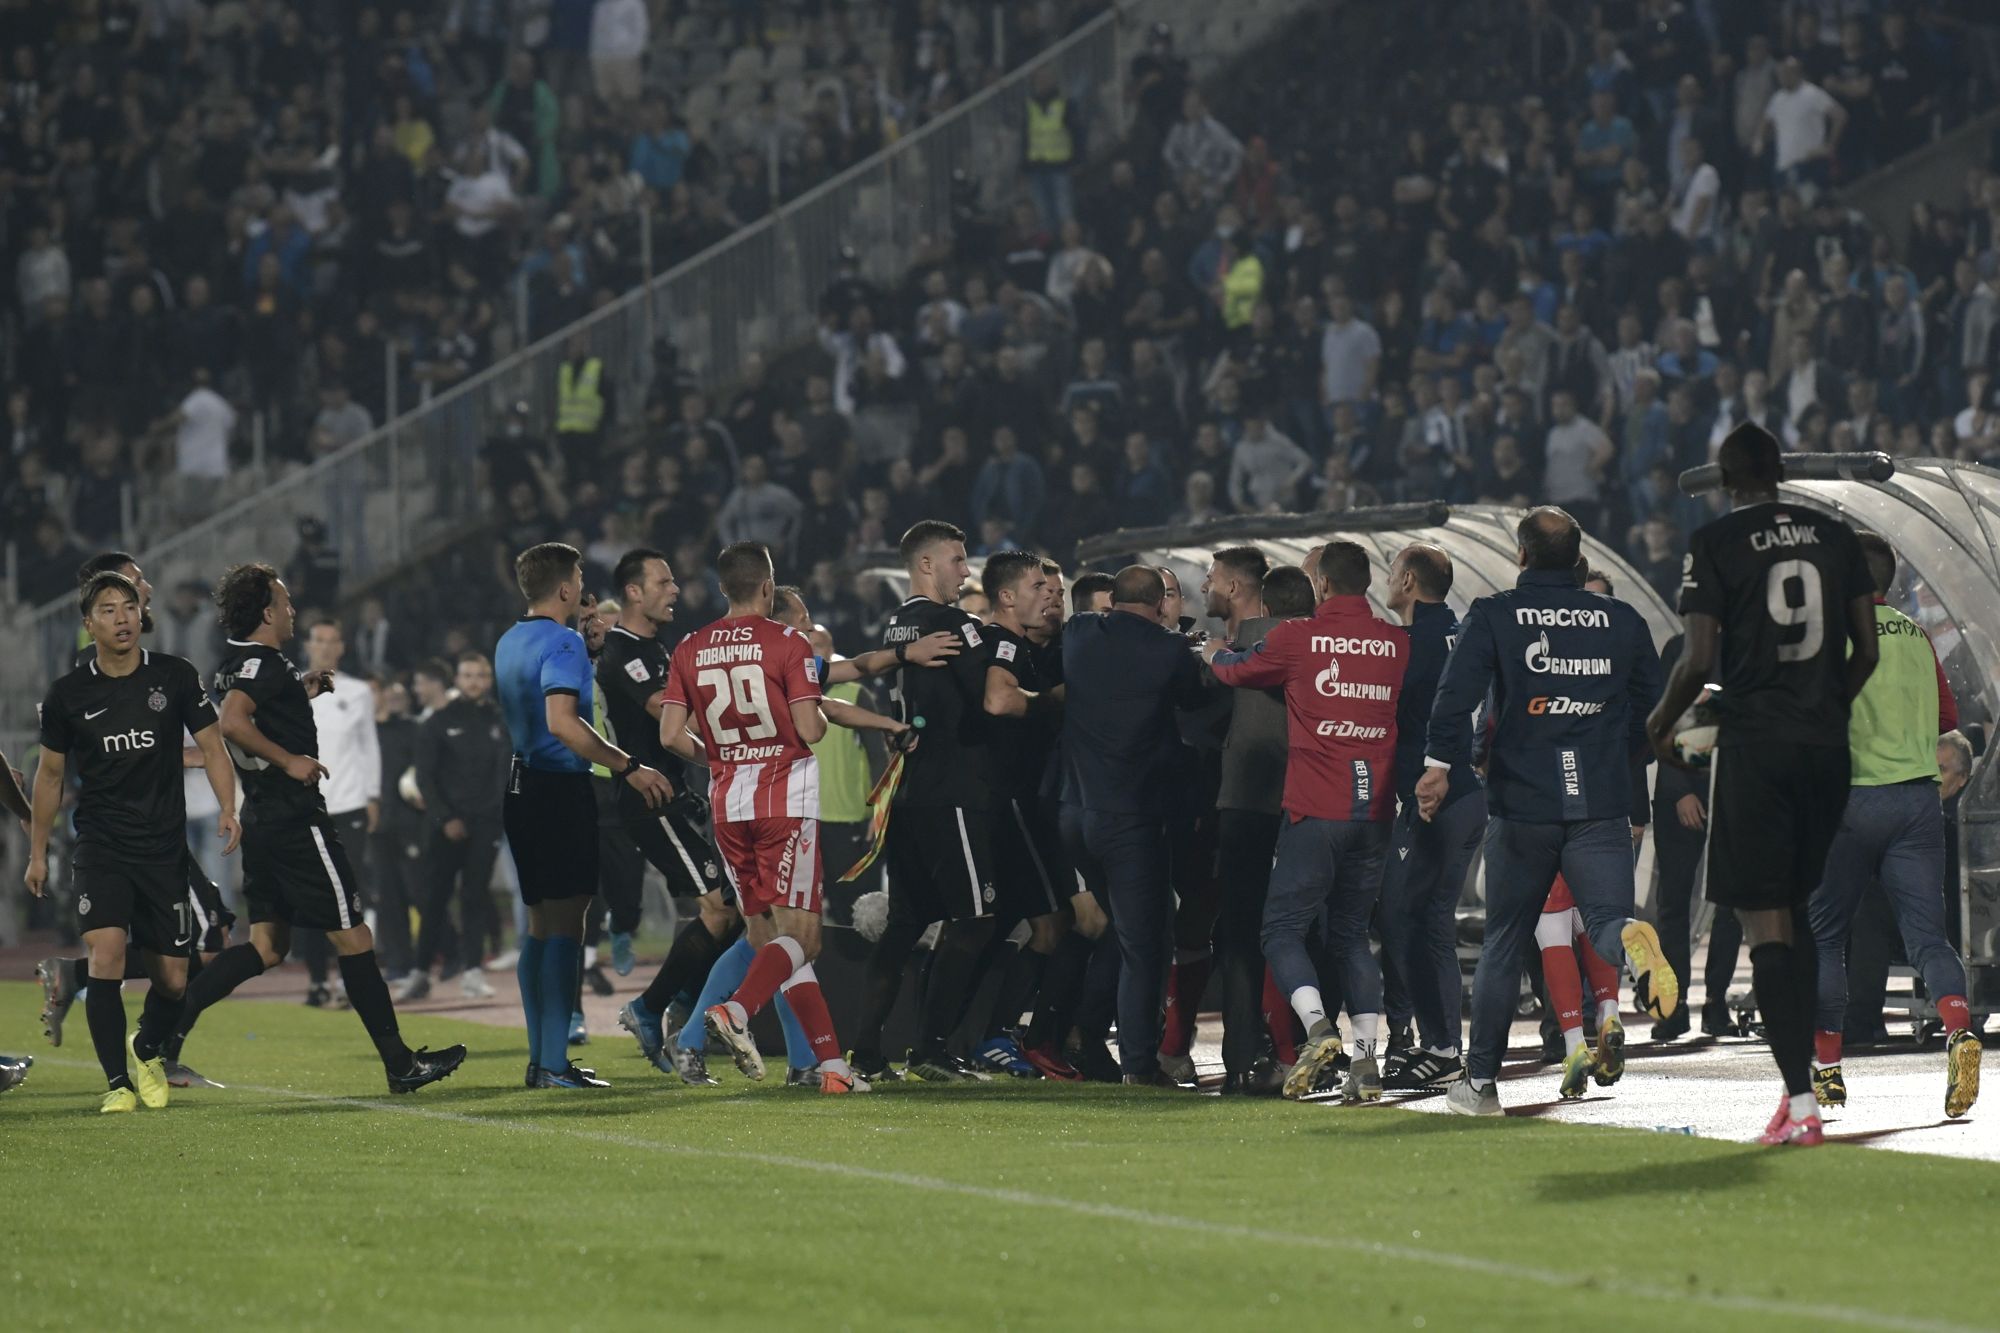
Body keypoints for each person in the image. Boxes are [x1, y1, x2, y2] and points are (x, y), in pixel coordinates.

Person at [1647, 424, 1878, 1147]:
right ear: (1780, 473)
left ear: (1726, 478)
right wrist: (1826, 707)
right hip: (1824, 746)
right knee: (1800, 909)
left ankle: (1801, 1104)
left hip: (1756, 744)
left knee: (1764, 920)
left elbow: (1699, 655)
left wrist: (1660, 725)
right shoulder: (1835, 534)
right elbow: (1864, 649)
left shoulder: (1713, 542)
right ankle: (1801, 1090)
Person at [164, 564, 464, 1094]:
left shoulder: (235, 662)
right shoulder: (260, 662)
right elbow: (234, 722)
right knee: (354, 935)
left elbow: (244, 714)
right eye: (283, 601)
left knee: (266, 947)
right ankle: (399, 1064)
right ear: (265, 612)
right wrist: (290, 761)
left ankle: (165, 1034)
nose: (291, 609)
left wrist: (297, 692)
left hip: (263, 820)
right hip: (294, 818)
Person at [1424, 507, 1671, 1117]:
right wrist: (1619, 755)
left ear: (1523, 555)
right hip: (1601, 800)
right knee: (1607, 922)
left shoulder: (1496, 613)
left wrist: (1439, 764)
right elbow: (1654, 709)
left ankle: (1479, 1085)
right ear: (1581, 556)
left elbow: (1456, 698)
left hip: (1524, 800)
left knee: (1506, 940)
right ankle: (1632, 942)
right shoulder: (1621, 618)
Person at [657, 543, 903, 1095]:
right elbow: (812, 730)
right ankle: (738, 1010)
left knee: (772, 940)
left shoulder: (689, 647)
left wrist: (722, 756)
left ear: (724, 587)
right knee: (806, 940)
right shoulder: (788, 642)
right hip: (783, 802)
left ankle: (831, 1068)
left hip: (728, 807)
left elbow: (671, 736)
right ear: (768, 586)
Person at [24, 572, 240, 1112]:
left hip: (164, 848)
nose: (123, 618)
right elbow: (49, 778)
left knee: (173, 977)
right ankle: (117, 1084)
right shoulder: (68, 695)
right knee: (108, 954)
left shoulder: (175, 676)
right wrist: (36, 851)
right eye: (109, 610)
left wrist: (230, 808)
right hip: (101, 844)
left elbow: (212, 747)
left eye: (129, 608)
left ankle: (146, 1047)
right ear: (88, 624)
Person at [1204, 542, 1406, 1101]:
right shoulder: (1394, 643)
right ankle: (1367, 1066)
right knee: (1350, 940)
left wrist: (1214, 655)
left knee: (1280, 930)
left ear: (1320, 587)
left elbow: (1239, 671)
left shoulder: (1298, 638)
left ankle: (1318, 1029)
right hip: (1375, 812)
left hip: (1316, 809)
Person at [1808, 533, 1980, 1118]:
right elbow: (1947, 725)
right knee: (1929, 936)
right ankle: (1960, 1029)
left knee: (1826, 935)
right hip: (1915, 804)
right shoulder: (1916, 636)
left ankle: (1827, 1069)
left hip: (1848, 804)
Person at [494, 542, 670, 1088]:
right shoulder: (563, 640)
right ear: (567, 588)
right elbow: (565, 722)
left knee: (542, 925)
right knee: (570, 923)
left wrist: (588, 650)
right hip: (558, 789)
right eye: (577, 577)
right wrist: (628, 766)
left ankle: (539, 1058)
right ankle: (553, 1064)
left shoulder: (510, 639)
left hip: (521, 784)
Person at [849, 521, 1006, 1083]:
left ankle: (867, 1052)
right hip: (955, 792)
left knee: (904, 928)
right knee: (977, 918)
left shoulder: (897, 626)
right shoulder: (953, 624)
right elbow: (993, 699)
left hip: (911, 794)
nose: (967, 571)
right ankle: (932, 1049)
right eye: (958, 560)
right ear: (925, 565)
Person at [1065, 566, 1209, 1086]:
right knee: (1143, 945)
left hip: (1074, 814)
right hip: (1131, 820)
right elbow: (1195, 699)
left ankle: (1078, 1033)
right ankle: (1141, 1066)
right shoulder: (1168, 651)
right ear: (1157, 603)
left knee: (1116, 935)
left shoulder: (1079, 632)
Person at [599, 548, 737, 1073]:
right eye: (664, 581)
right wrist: (730, 756)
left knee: (727, 910)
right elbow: (671, 726)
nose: (675, 590)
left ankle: (669, 1007)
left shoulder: (655, 648)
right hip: (650, 799)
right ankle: (659, 1008)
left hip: (674, 795)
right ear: (634, 591)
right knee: (722, 907)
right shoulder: (625, 652)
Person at [1376, 544, 1485, 1091]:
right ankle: (1441, 1045)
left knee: (1407, 916)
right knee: (1423, 917)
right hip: (1464, 795)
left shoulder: (1408, 645)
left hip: (1433, 800)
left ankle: (1443, 1048)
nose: (1387, 581)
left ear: (1411, 581)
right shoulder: (1461, 632)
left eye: (1393, 573)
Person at [1207, 564, 1311, 1093]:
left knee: (1242, 935)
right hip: (1312, 803)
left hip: (1245, 805)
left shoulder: (1240, 647)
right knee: (1310, 931)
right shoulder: (1326, 645)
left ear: (1262, 604)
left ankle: (1242, 1060)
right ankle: (1309, 1047)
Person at [967, 550, 1071, 1078]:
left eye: (1056, 592)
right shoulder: (1003, 642)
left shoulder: (1026, 647)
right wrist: (1054, 702)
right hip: (1015, 802)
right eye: (1040, 589)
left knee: (993, 926)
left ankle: (967, 1035)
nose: (1050, 599)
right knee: (1055, 924)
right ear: (1010, 596)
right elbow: (1000, 703)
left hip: (1019, 801)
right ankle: (1005, 1035)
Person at [407, 652, 509, 1000]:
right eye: (468, 675)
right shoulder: (437, 721)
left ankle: (472, 971)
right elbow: (425, 777)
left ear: (489, 679)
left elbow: (505, 774)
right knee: (435, 899)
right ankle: (420, 971)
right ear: (458, 680)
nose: (475, 681)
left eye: (481, 675)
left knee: (475, 898)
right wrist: (445, 817)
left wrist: (497, 816)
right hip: (445, 826)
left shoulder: (500, 720)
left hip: (486, 825)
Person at [299, 617, 382, 1008]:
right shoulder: (291, 689)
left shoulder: (359, 692)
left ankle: (353, 980)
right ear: (309, 645)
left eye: (333, 641)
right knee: (312, 895)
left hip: (348, 802)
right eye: (319, 641)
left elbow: (368, 745)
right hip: (305, 804)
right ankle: (317, 979)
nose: (326, 647)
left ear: (342, 647)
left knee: (352, 894)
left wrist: (372, 795)